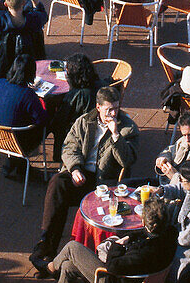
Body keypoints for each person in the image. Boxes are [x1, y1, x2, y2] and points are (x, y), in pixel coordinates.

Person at [30, 86, 140, 273]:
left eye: (116, 108)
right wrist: (74, 169)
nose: (113, 113)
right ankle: (47, 244)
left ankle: (70, 261)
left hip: (103, 183)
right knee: (57, 183)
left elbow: (127, 160)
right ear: (98, 107)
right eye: (108, 110)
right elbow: (69, 147)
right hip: (81, 174)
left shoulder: (127, 128)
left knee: (69, 197)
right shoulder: (83, 121)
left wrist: (115, 136)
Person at [47, 194, 176, 283]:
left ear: (143, 221)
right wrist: (128, 237)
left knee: (72, 247)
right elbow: (143, 235)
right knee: (68, 266)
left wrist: (117, 245)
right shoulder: (170, 234)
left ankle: (51, 267)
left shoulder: (144, 252)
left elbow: (112, 266)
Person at [0, 53, 48, 176]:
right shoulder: (28, 95)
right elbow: (42, 120)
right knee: (49, 122)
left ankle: (15, 163)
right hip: (18, 141)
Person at [49, 54, 101, 162]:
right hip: (97, 128)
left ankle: (59, 157)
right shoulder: (100, 85)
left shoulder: (76, 95)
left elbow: (60, 120)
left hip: (77, 133)